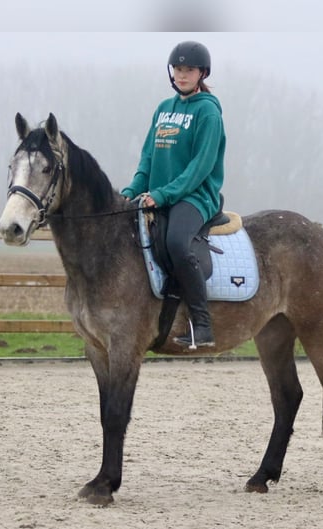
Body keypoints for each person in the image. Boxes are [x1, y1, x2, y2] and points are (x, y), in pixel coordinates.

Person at [121, 40, 226, 349]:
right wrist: (131, 192)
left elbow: (200, 167)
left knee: (178, 242)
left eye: (189, 70)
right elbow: (148, 159)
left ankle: (202, 324)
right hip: (160, 193)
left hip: (195, 196)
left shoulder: (208, 113)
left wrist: (165, 194)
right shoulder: (164, 109)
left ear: (202, 73)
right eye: (178, 69)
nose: (182, 75)